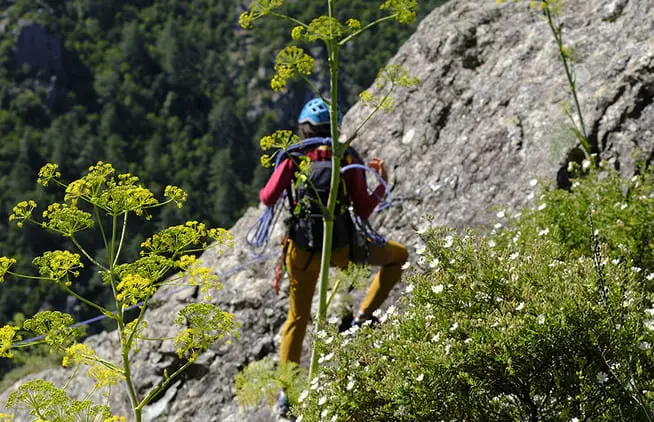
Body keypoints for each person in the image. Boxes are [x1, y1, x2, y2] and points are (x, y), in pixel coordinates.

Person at [259, 98, 409, 416]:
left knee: (297, 318)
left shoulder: (294, 156)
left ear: (305, 127)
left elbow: (267, 197)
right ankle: (364, 317)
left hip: (300, 250)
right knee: (398, 256)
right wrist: (380, 180)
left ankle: (288, 394)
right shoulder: (347, 157)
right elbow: (365, 209)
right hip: (340, 249)